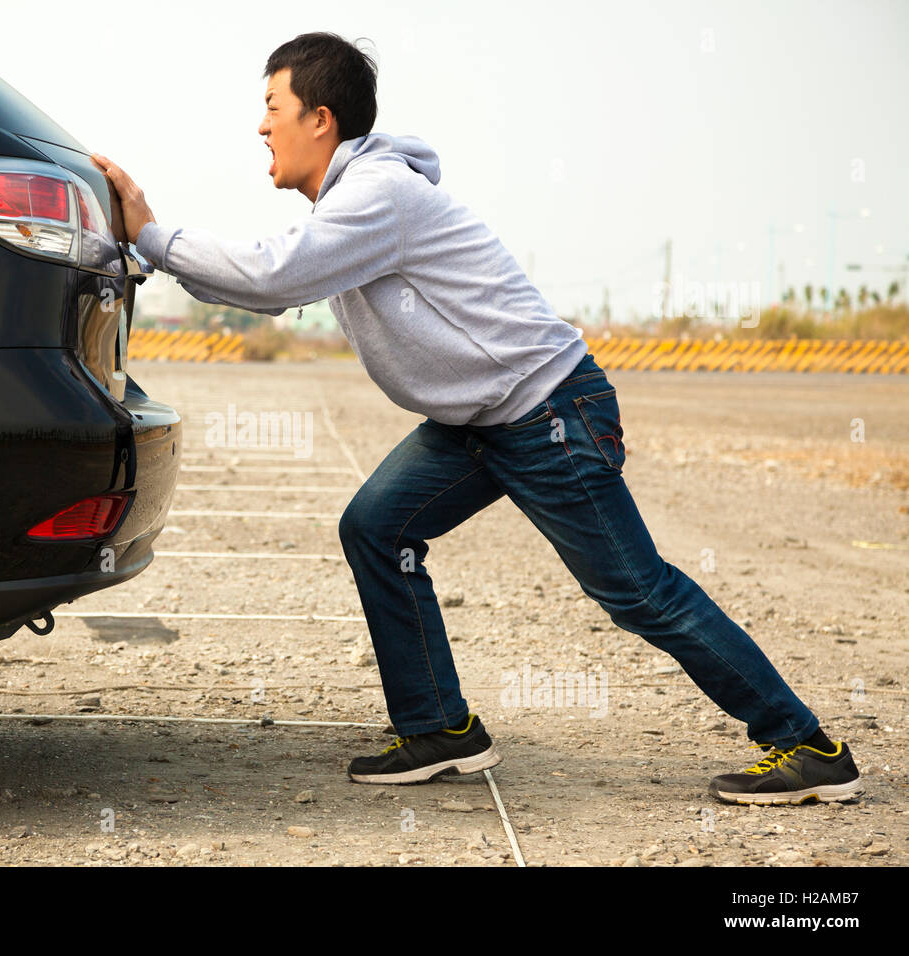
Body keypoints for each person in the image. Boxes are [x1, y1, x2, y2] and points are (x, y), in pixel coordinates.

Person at [92, 32, 862, 805]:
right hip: (480, 424)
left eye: (272, 108)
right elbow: (278, 282)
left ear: (320, 119)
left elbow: (273, 275)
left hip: (547, 410)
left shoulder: (377, 196)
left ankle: (807, 746)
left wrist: (152, 233)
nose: (262, 128)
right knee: (376, 527)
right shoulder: (353, 205)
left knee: (638, 591)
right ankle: (440, 730)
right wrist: (149, 252)